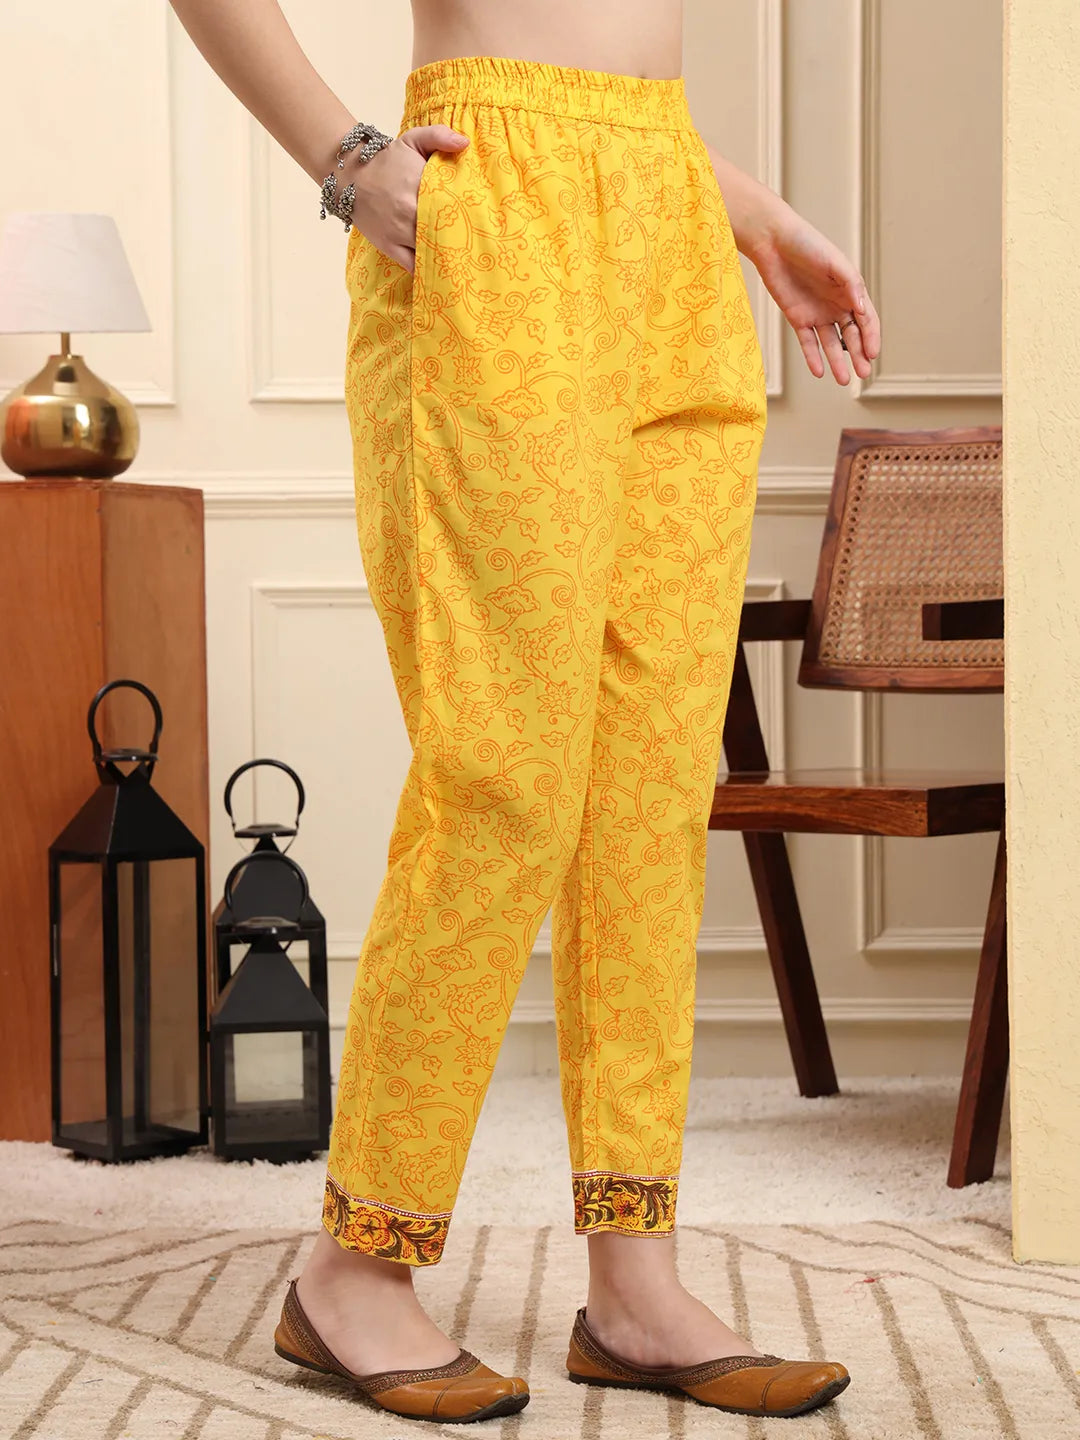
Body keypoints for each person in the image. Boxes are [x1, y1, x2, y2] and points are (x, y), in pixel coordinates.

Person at [171, 0, 880, 1425]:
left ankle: (636, 1282)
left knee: (648, 793)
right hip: (496, 215)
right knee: (505, 777)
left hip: (671, 215)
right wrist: (346, 159)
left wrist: (738, 206)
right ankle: (354, 1265)